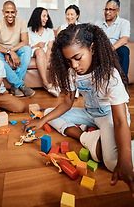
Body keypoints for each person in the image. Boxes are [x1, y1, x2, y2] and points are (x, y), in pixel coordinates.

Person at [25, 23, 134, 197]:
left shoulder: (109, 74)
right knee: (47, 113)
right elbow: (67, 103)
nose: (74, 65)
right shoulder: (72, 73)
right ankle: (86, 136)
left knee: (114, 163)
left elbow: (120, 121)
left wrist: (126, 159)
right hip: (90, 115)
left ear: (92, 48)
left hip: (109, 117)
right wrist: (42, 121)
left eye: (77, 57)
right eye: (68, 61)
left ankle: (108, 142)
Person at [0, 0, 35, 97]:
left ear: (16, 12)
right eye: (7, 12)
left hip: (16, 49)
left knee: (27, 49)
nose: (10, 15)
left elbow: (25, 41)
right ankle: (20, 85)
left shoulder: (22, 22)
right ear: (3, 12)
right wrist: (8, 52)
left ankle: (15, 87)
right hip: (1, 51)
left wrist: (11, 51)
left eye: (12, 12)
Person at [28, 7, 60, 97]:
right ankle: (45, 83)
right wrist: (37, 45)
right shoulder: (28, 31)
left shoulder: (49, 31)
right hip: (34, 51)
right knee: (40, 51)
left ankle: (55, 84)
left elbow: (50, 45)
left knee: (55, 54)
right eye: (44, 16)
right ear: (37, 17)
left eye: (47, 16)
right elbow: (27, 46)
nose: (46, 18)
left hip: (45, 51)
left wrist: (48, 54)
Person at [97, 0, 130, 82]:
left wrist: (110, 49)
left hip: (115, 49)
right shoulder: (98, 23)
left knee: (124, 50)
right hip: (101, 49)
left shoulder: (124, 22)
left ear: (117, 11)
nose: (107, 12)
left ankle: (123, 81)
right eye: (106, 9)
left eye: (111, 9)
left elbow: (125, 39)